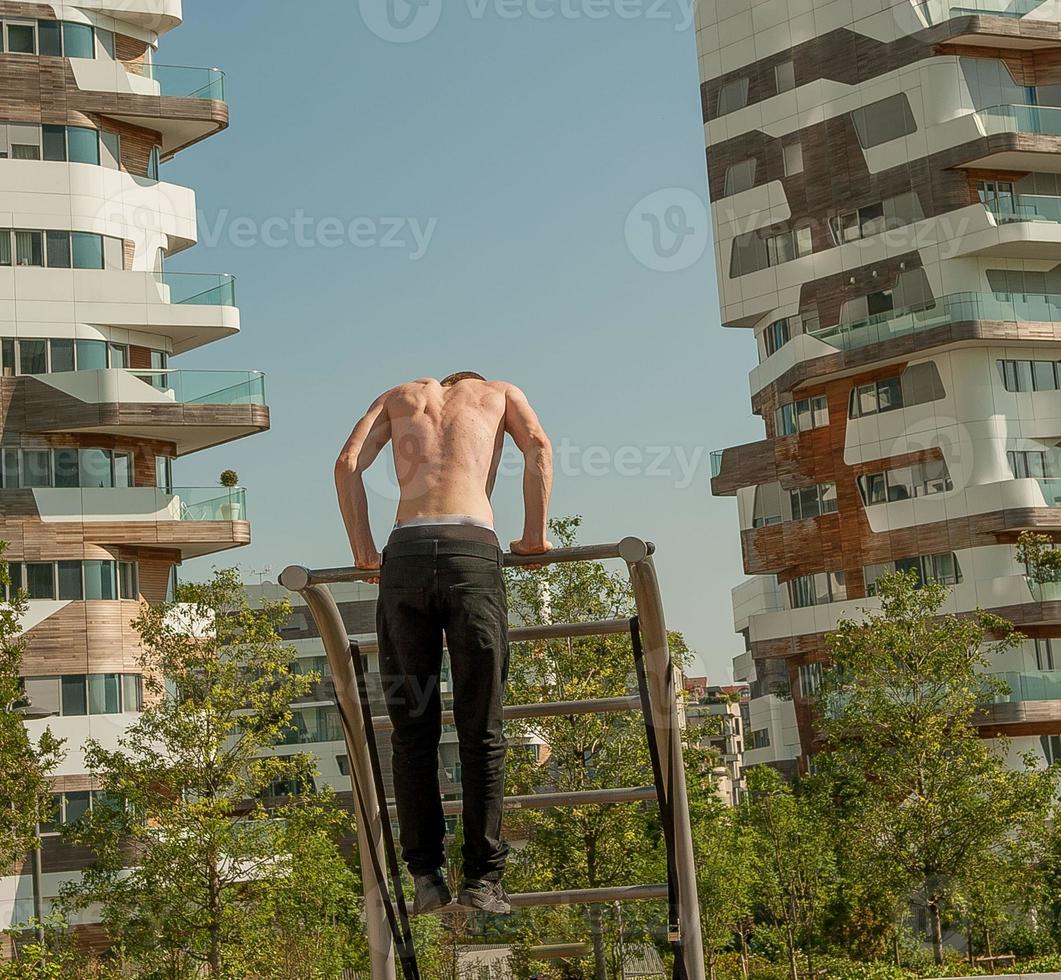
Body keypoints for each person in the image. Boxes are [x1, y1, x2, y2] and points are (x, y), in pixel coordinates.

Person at [334, 373, 554, 915]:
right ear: (469, 384)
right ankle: (483, 880)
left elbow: (346, 466)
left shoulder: (396, 396)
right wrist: (534, 535)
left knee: (413, 731)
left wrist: (363, 551)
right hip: (471, 552)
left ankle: (427, 876)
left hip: (405, 555)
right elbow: (539, 449)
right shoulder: (500, 393)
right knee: (482, 728)